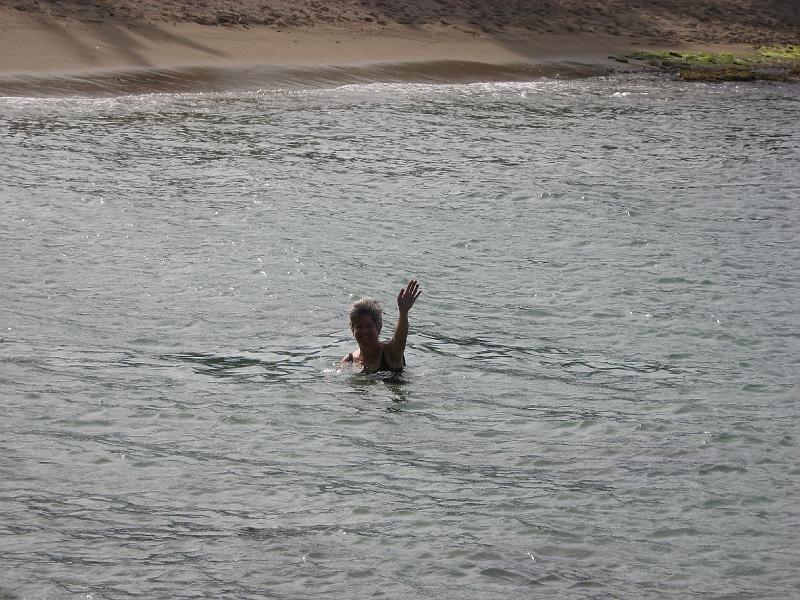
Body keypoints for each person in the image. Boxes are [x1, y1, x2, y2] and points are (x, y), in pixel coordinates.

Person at [341, 279, 421, 373]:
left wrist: (403, 313)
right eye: (359, 327)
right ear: (352, 331)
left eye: (369, 326)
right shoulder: (349, 361)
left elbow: (400, 339)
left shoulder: (391, 353)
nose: (364, 331)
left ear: (379, 329)